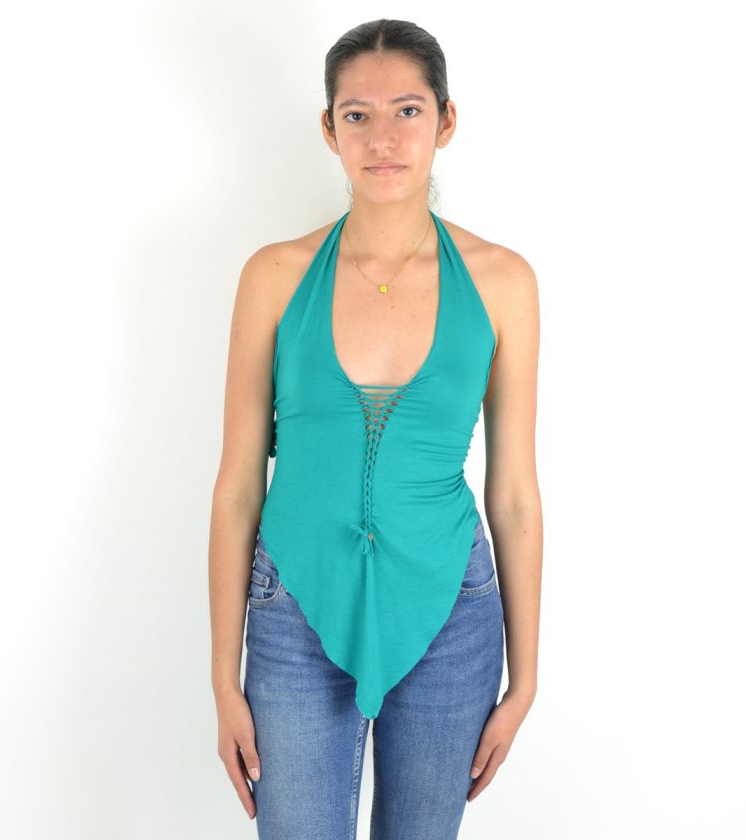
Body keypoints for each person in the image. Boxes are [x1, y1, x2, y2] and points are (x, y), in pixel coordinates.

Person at [209, 18, 542, 839]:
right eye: (357, 115)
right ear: (329, 129)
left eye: (408, 111)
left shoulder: (502, 282)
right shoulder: (274, 276)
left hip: (451, 612)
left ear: (446, 121)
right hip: (293, 606)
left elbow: (514, 493)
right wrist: (222, 678)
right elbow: (238, 485)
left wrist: (526, 679)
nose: (383, 138)